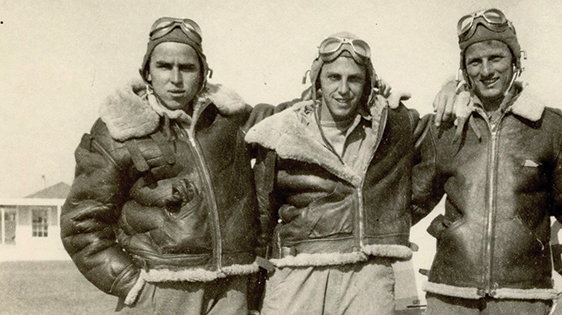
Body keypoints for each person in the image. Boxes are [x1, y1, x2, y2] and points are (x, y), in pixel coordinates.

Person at [60, 17, 265, 314]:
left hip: (231, 292)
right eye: (165, 66)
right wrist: (132, 284)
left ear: (204, 73)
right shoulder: (119, 127)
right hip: (160, 292)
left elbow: (289, 120)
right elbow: (80, 222)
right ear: (147, 72)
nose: (176, 79)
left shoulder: (230, 121)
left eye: (187, 68)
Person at [245, 32, 428, 315]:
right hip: (297, 271)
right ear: (317, 79)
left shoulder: (393, 125)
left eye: (353, 78)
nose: (343, 89)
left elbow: (437, 155)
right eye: (334, 77)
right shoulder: (284, 129)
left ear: (367, 82)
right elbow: (262, 210)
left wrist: (389, 217)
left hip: (366, 273)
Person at [412, 8, 562, 315]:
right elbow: (411, 201)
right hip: (450, 294)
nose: (486, 70)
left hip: (522, 296)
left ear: (515, 62)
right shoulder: (445, 127)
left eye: (496, 58)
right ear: (464, 70)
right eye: (475, 61)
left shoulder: (549, 127)